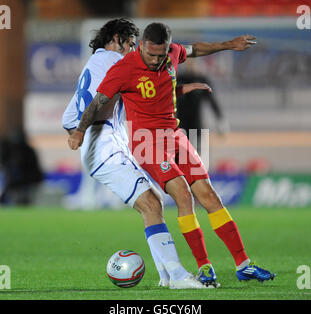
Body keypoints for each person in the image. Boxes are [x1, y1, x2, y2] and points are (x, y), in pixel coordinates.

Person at [69, 22, 276, 286]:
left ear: (168, 47)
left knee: (209, 195)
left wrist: (227, 45)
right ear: (141, 45)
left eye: (161, 54)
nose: (156, 60)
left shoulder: (172, 54)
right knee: (183, 194)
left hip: (175, 136)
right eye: (151, 54)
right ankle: (204, 267)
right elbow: (97, 101)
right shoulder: (123, 68)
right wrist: (78, 132)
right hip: (147, 143)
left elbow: (196, 50)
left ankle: (244, 264)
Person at [63, 18, 210, 289]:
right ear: (117, 39)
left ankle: (168, 276)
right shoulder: (115, 63)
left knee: (153, 203)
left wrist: (181, 89)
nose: (135, 52)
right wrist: (80, 131)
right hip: (103, 144)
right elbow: (95, 103)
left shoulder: (98, 61)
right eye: (132, 45)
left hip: (109, 142)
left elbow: (71, 113)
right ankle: (177, 276)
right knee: (152, 203)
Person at [0, 129, 43, 205]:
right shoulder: (9, 150)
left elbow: (33, 169)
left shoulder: (28, 151)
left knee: (24, 199)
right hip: (15, 181)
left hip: (27, 181)